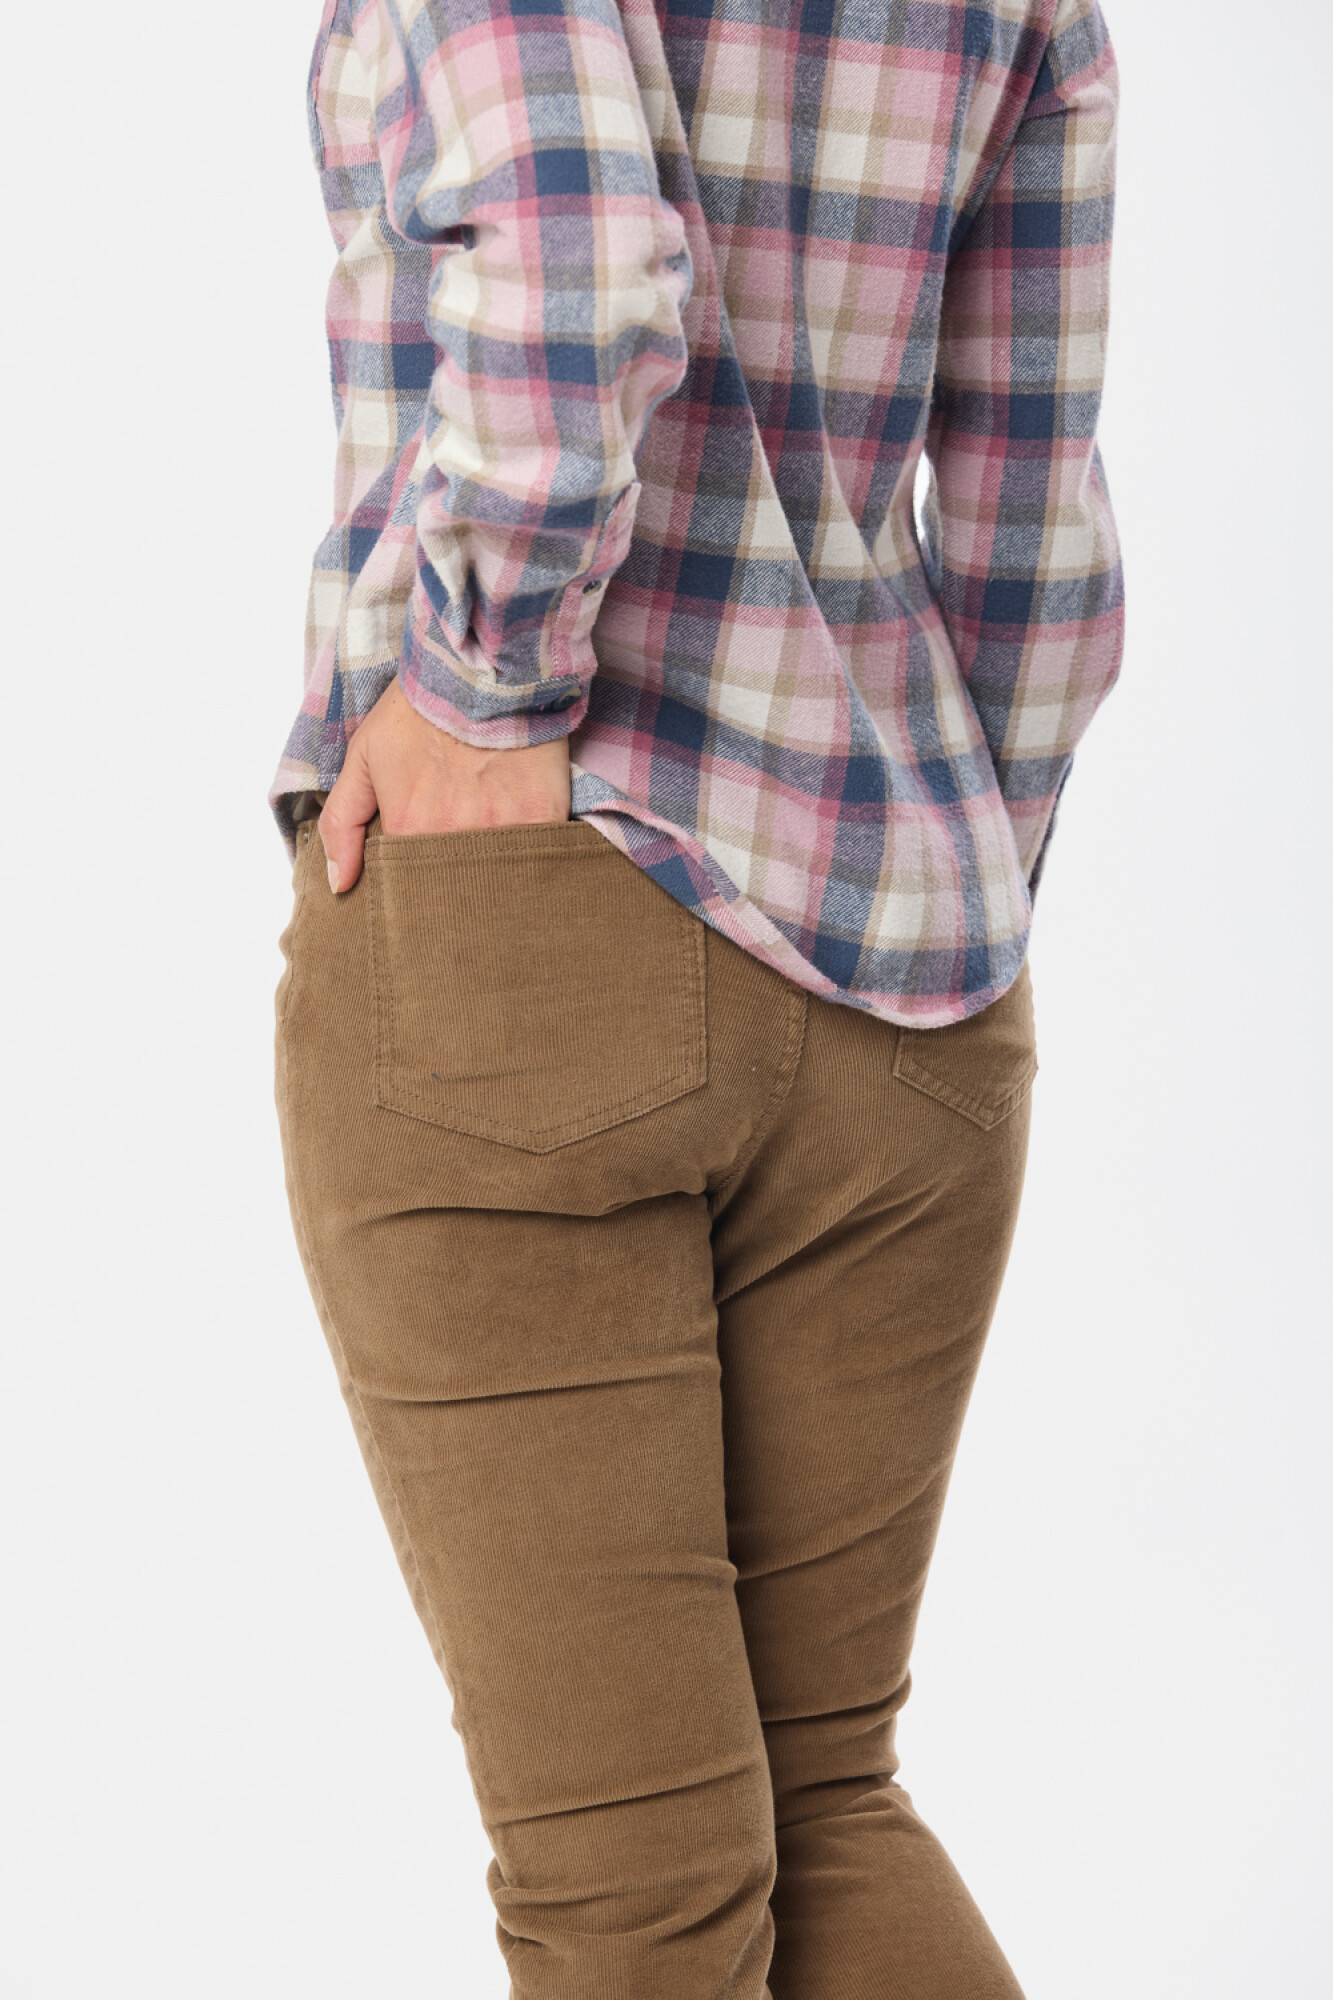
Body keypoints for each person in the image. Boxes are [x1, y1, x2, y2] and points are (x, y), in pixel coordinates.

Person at [272, 0, 1122, 1991]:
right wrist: (951, 864)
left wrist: (480, 688)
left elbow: (574, 255)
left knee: (631, 1899)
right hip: (913, 960)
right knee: (824, 1800)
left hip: (528, 919)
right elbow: (1032, 526)